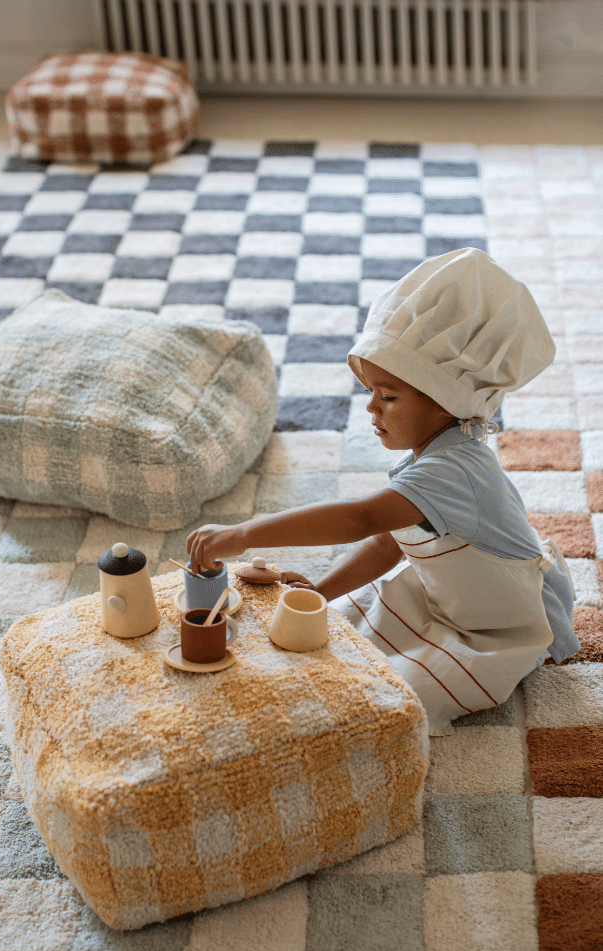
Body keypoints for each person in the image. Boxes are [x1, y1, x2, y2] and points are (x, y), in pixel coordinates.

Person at [186, 248, 578, 735]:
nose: (371, 408)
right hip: (451, 595)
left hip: (494, 626)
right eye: (370, 391)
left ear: (447, 401)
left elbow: (361, 520)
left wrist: (244, 533)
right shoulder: (432, 454)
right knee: (346, 625)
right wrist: (323, 592)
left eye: (388, 396)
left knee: (387, 696)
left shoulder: (455, 471)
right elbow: (387, 541)